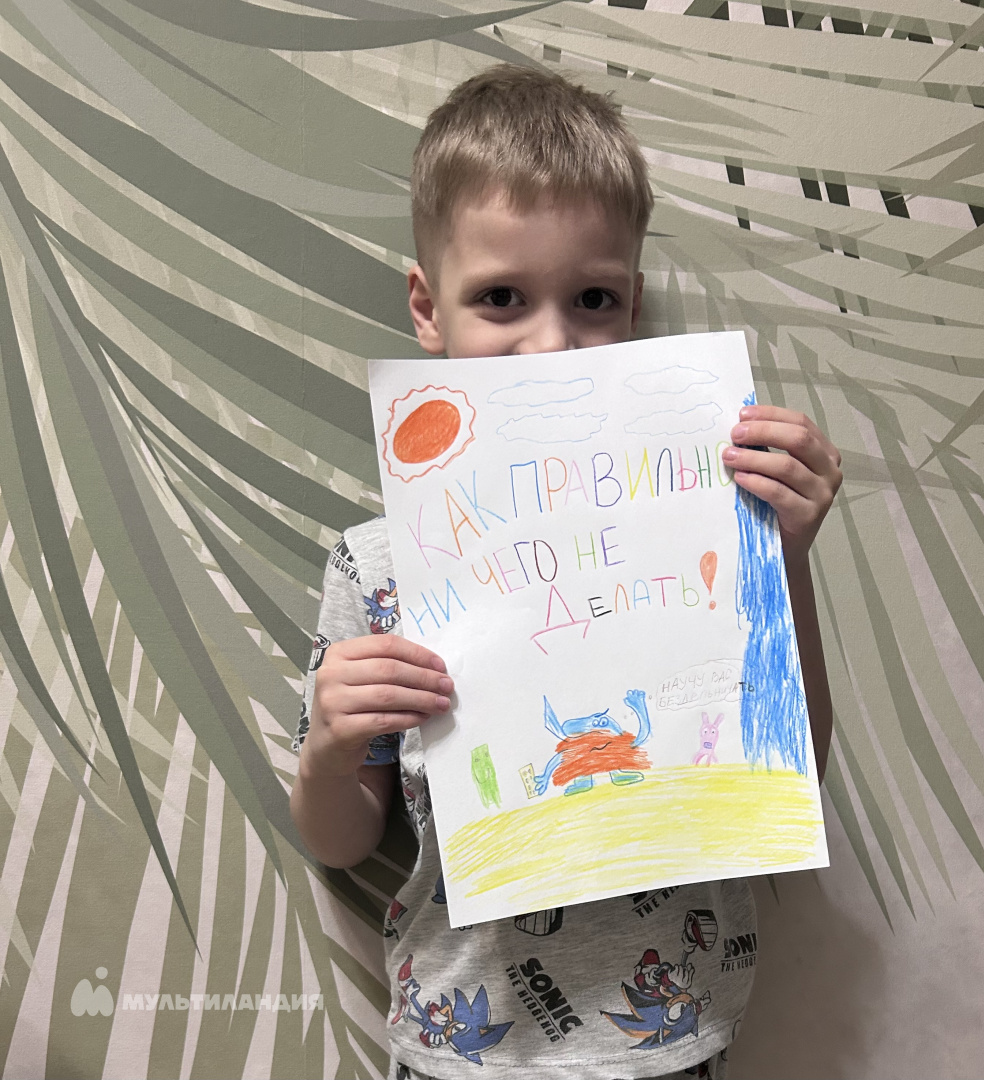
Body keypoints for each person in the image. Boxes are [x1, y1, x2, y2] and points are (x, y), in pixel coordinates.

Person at [291, 64, 842, 1080]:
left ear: (630, 304)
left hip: (670, 1039)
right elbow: (339, 841)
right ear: (427, 308)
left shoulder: (706, 517)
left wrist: (782, 559)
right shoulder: (375, 565)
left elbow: (795, 768)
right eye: (500, 297)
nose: (550, 342)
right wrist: (331, 747)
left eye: (591, 298)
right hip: (464, 1047)